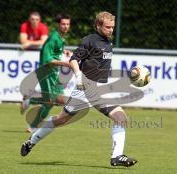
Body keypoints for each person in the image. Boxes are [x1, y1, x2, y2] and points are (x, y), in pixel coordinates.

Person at [20, 11, 138, 167]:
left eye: (112, 27)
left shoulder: (108, 43)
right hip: (85, 87)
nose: (111, 30)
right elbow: (74, 59)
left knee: (121, 118)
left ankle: (117, 157)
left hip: (99, 88)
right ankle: (32, 141)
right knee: (61, 119)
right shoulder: (90, 40)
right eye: (108, 27)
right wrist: (78, 76)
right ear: (98, 26)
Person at [20, 13, 72, 133]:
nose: (65, 26)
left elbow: (56, 49)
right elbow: (47, 59)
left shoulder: (60, 38)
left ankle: (33, 125)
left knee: (51, 103)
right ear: (58, 25)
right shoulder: (54, 37)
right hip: (47, 71)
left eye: (68, 24)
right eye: (63, 24)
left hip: (53, 72)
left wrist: (64, 51)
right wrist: (67, 64)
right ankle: (31, 97)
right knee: (56, 99)